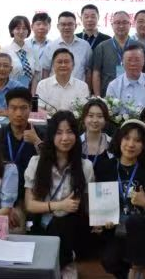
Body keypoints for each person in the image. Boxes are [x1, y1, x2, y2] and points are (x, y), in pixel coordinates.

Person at [95, 120, 145, 279]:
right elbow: (101, 210)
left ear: (144, 145)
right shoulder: (105, 168)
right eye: (127, 138)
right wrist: (102, 221)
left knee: (135, 221)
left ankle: (135, 270)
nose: (131, 144)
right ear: (119, 140)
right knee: (109, 261)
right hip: (118, 230)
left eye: (137, 140)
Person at [25, 111, 94, 275]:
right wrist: (60, 205)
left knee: (63, 223)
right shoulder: (36, 163)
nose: (65, 138)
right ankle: (64, 263)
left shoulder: (85, 167)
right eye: (59, 132)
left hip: (71, 227)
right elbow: (30, 205)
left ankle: (65, 262)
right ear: (51, 135)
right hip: (42, 225)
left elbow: (88, 204)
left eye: (70, 132)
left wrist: (100, 218)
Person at [1, 89, 42, 217]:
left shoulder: (41, 134)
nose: (18, 113)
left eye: (23, 108)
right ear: (6, 109)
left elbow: (53, 163)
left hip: (32, 193)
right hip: (3, 193)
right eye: (13, 108)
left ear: (30, 108)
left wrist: (37, 142)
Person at [105, 44, 145, 109]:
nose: (133, 64)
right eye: (129, 60)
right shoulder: (113, 85)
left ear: (144, 61)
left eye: (137, 60)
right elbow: (110, 111)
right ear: (122, 62)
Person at [91, 10, 134, 96]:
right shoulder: (102, 47)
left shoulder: (138, 47)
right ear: (112, 25)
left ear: (130, 24)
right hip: (108, 95)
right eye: (117, 23)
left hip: (134, 93)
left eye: (124, 22)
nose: (121, 26)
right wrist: (98, 97)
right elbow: (96, 72)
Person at [36, 48, 90, 113]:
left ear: (73, 65)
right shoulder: (43, 85)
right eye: (59, 62)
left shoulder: (82, 86)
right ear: (53, 65)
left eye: (66, 62)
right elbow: (39, 109)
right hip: (50, 119)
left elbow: (83, 111)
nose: (63, 65)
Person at [46, 11, 93, 84]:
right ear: (58, 26)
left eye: (70, 24)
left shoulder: (85, 46)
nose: (67, 27)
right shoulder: (50, 46)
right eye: (63, 24)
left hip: (79, 89)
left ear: (75, 26)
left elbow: (88, 71)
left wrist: (87, 88)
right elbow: (46, 71)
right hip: (55, 88)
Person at [2, 15, 37, 90]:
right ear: (12, 30)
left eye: (24, 28)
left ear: (28, 31)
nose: (21, 31)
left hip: (28, 92)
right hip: (10, 91)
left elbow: (35, 76)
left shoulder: (33, 51)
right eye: (18, 28)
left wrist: (32, 94)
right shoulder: (4, 51)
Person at [80, 98, 112, 172]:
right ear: (84, 118)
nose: (95, 120)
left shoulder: (111, 143)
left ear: (105, 120)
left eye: (100, 116)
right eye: (90, 116)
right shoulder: (76, 143)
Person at [27, 12, 53, 88]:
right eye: (38, 24)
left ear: (49, 27)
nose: (41, 27)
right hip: (27, 84)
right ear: (32, 26)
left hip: (47, 85)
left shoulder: (54, 46)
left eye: (45, 24)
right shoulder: (25, 45)